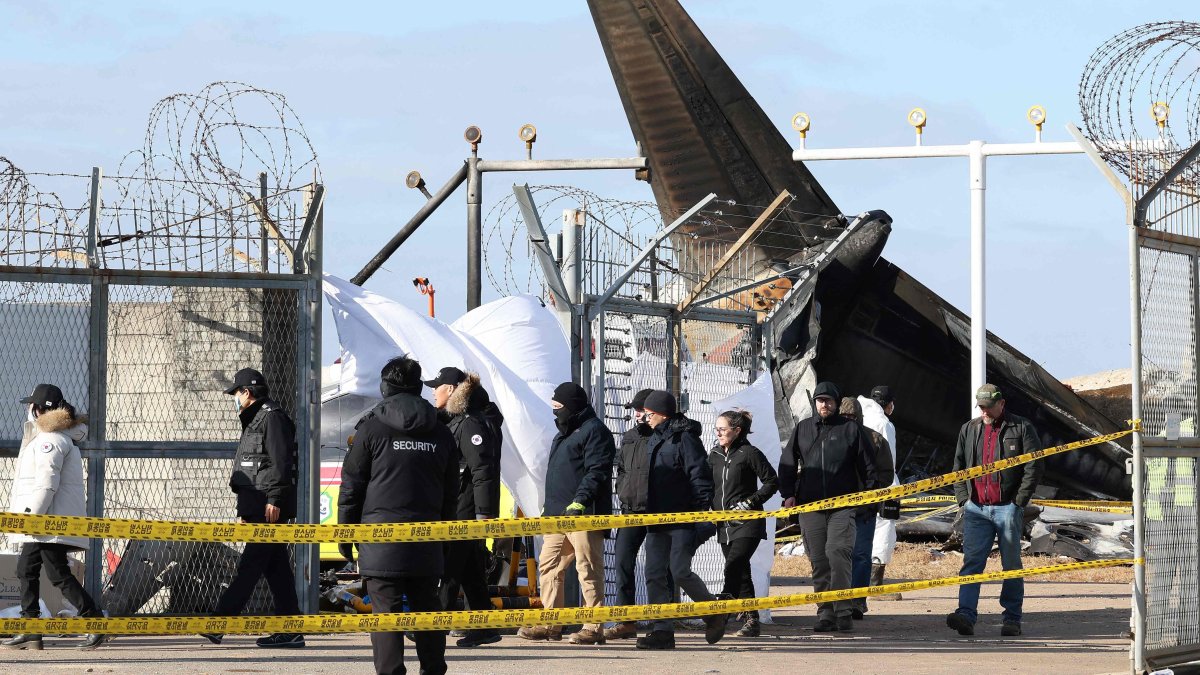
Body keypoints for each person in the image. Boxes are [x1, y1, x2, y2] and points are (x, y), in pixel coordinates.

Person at [339, 356, 459, 675]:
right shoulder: (442, 432)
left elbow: (352, 485)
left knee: (386, 614)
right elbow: (451, 494)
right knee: (427, 610)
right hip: (428, 540)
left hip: (380, 541)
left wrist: (345, 534)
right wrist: (444, 537)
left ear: (385, 387)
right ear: (419, 387)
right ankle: (433, 670)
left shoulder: (371, 428)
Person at [203, 368, 302, 648]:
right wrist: (247, 512)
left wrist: (275, 499)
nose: (234, 398)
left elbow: (280, 463)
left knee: (249, 567)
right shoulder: (256, 419)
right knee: (277, 571)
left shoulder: (272, 418)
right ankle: (291, 630)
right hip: (257, 506)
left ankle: (219, 623)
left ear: (246, 393)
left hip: (267, 508)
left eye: (236, 392)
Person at [2, 384, 106, 651]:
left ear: (39, 410)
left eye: (31, 406)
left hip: (47, 522)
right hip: (43, 522)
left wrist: (31, 518)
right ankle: (31, 629)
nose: (28, 411)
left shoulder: (51, 440)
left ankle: (94, 622)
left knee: (57, 574)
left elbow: (47, 482)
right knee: (27, 569)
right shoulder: (50, 437)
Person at [516, 383, 614, 645]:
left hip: (583, 514)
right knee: (549, 566)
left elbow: (598, 470)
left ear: (572, 407)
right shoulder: (565, 433)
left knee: (588, 569)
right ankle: (550, 623)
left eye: (558, 408)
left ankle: (593, 627)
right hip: (557, 515)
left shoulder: (595, 431)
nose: (555, 413)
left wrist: (580, 500)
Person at [777, 381, 875, 633]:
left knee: (837, 552)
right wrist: (788, 494)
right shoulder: (803, 429)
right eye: (820, 400)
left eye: (829, 401)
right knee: (819, 559)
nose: (824, 404)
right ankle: (825, 612)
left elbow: (869, 467)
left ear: (836, 403)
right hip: (810, 506)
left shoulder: (851, 429)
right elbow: (788, 463)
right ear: (815, 403)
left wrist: (866, 499)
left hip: (843, 505)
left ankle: (843, 610)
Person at [946, 384, 1043, 638]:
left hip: (1007, 509)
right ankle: (965, 614)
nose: (984, 411)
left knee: (1011, 564)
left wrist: (1019, 501)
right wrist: (963, 499)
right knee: (971, 563)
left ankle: (1012, 618)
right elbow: (959, 466)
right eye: (981, 406)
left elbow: (1034, 466)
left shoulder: (1021, 428)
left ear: (1002, 404)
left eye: (988, 406)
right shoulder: (969, 429)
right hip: (976, 509)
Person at [637, 390, 729, 650]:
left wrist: (699, 516)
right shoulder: (654, 438)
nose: (645, 417)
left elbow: (699, 476)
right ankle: (662, 630)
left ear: (660, 414)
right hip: (656, 519)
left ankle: (713, 614)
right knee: (654, 573)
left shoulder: (686, 439)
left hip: (682, 519)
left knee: (679, 571)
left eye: (648, 413)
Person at [424, 366, 504, 649]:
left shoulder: (469, 423)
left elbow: (482, 469)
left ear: (451, 389)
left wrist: (483, 514)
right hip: (461, 503)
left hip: (466, 507)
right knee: (469, 568)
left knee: (450, 567)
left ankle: (434, 626)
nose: (433, 391)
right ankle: (484, 627)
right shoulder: (458, 420)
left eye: (438, 386)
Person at [708, 409, 778, 638]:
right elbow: (708, 487)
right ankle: (751, 620)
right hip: (723, 525)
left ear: (737, 431)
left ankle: (722, 611)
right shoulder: (714, 455)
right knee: (741, 571)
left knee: (734, 565)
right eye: (716, 429)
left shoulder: (750, 453)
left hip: (748, 523)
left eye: (722, 429)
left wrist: (751, 501)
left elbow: (771, 481)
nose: (718, 433)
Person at [606, 388, 659, 641]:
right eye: (635, 411)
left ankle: (662, 621)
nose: (637, 415)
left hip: (658, 512)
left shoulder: (663, 436)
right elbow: (623, 469)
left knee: (657, 569)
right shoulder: (629, 437)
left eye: (641, 411)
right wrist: (622, 491)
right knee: (623, 564)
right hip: (630, 511)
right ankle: (626, 622)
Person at [839, 397, 894, 620]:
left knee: (861, 555)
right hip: (835, 509)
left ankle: (857, 601)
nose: (849, 422)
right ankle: (837, 600)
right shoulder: (831, 438)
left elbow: (886, 474)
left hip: (864, 509)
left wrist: (869, 491)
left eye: (852, 418)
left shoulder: (875, 439)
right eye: (845, 418)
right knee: (837, 555)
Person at [864, 386, 902, 599]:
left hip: (863, 486)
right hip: (883, 487)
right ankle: (874, 585)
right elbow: (890, 460)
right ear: (888, 404)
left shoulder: (860, 418)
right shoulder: (884, 424)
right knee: (883, 531)